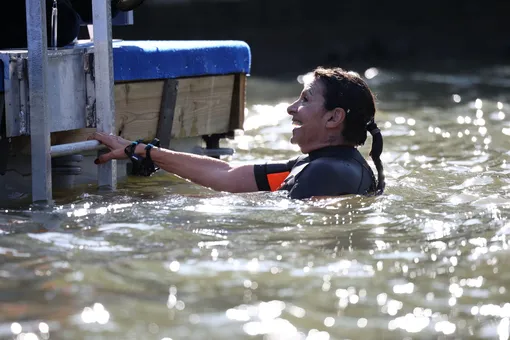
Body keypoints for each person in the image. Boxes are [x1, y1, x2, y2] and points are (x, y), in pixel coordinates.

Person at [89, 67, 385, 199]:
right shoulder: (319, 166)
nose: (291, 109)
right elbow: (228, 176)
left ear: (334, 117)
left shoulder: (328, 173)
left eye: (305, 100)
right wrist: (142, 150)